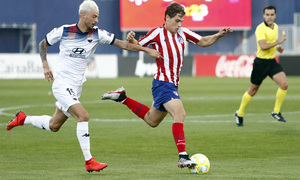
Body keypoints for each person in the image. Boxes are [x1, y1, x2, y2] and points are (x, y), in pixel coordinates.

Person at [6, 0, 161, 173]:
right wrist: (45, 65)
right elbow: (43, 43)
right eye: (94, 17)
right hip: (62, 85)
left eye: (98, 17)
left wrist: (147, 50)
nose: (96, 20)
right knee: (83, 116)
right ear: (83, 15)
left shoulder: (98, 34)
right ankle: (89, 161)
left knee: (54, 125)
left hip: (76, 87)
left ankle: (23, 119)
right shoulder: (64, 31)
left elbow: (123, 44)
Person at [101, 2, 232, 168]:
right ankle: (183, 156)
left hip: (172, 85)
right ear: (167, 18)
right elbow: (134, 46)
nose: (179, 24)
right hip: (163, 83)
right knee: (180, 113)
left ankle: (122, 97)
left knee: (152, 120)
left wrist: (219, 35)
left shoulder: (183, 33)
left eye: (181, 21)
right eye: (177, 21)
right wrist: (139, 44)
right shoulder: (157, 33)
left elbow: (204, 41)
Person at [235, 5, 287, 126]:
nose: (269, 17)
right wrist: (279, 41)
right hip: (260, 63)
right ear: (264, 16)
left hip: (271, 62)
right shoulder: (260, 29)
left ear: (275, 16)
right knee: (252, 91)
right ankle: (240, 113)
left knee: (284, 84)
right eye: (267, 15)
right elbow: (263, 46)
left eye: (272, 15)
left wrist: (278, 47)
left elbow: (271, 43)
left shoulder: (276, 27)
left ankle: (276, 112)